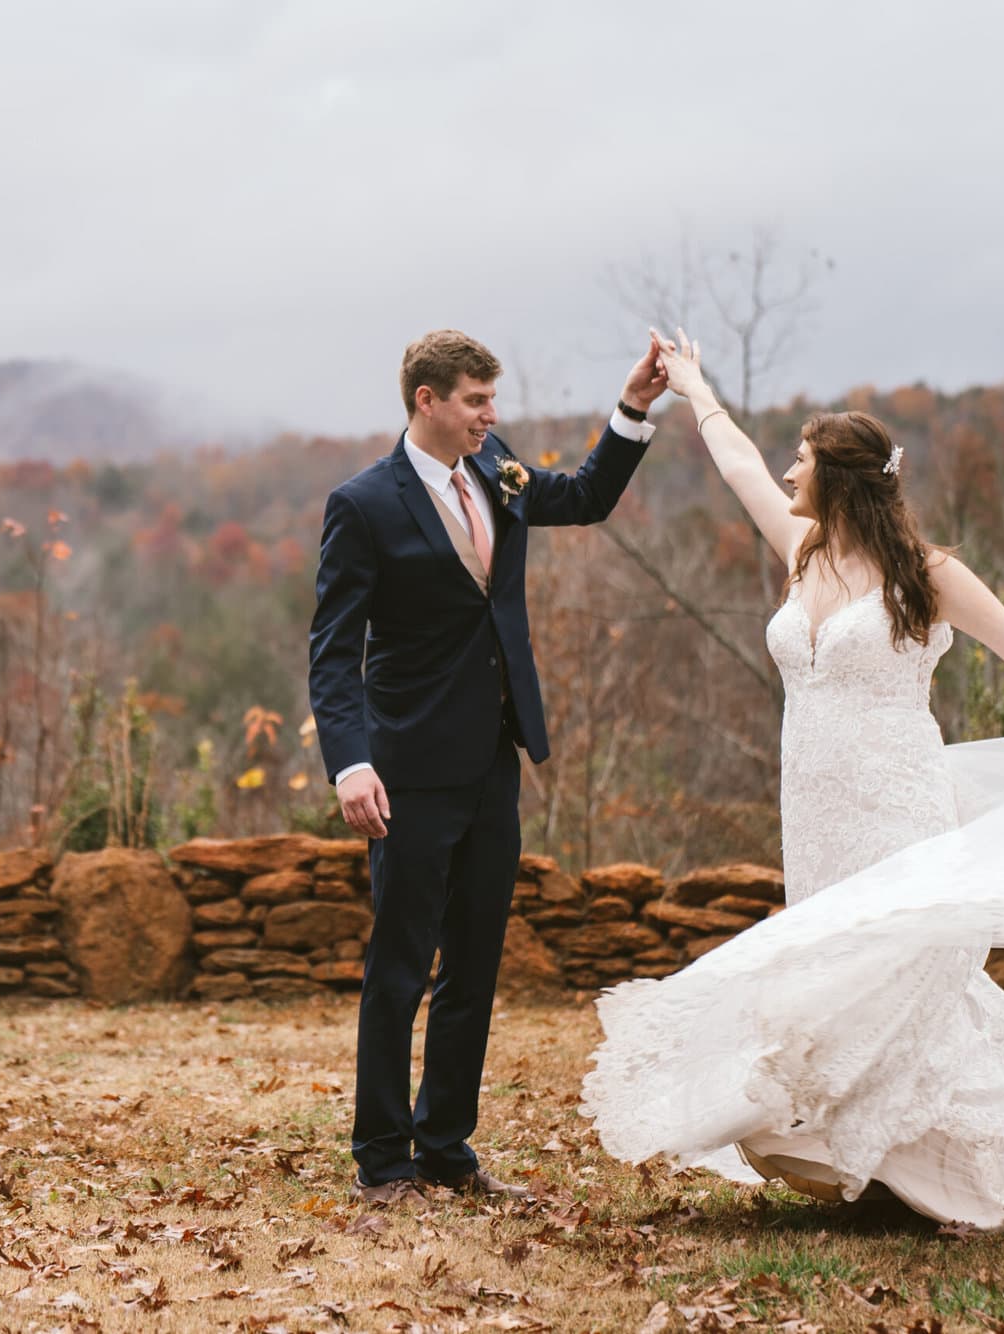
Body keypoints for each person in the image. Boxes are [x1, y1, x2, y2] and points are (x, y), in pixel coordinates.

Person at [579, 330, 1004, 1232]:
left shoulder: (927, 575)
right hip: (813, 804)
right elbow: (733, 467)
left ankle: (958, 1164)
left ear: (839, 478)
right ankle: (874, 1158)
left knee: (903, 973)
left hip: (897, 801)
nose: (787, 470)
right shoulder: (801, 552)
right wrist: (690, 387)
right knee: (833, 973)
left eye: (801, 460)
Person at [309, 329, 668, 1204]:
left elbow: (583, 498)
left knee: (473, 966)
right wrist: (349, 765)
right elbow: (332, 651)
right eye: (475, 401)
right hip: (406, 769)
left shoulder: (496, 468)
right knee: (399, 967)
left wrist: (632, 411)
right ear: (426, 401)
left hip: (494, 761)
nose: (490, 416)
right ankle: (384, 1159)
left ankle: (446, 1150)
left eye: (491, 402)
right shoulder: (362, 505)